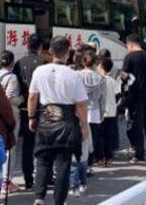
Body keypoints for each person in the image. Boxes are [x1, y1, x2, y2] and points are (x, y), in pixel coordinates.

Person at [28, 35, 88, 205]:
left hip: (46, 119)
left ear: (50, 51)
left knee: (43, 161)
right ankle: (59, 201)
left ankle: (39, 198)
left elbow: (32, 97)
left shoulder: (39, 71)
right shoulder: (73, 75)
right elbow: (81, 105)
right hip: (67, 122)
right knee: (63, 164)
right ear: (68, 53)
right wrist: (84, 127)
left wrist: (31, 117)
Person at [12, 34, 46, 189]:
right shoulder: (43, 63)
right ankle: (44, 177)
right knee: (43, 144)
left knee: (27, 145)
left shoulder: (19, 63)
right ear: (40, 48)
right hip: (41, 109)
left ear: (27, 46)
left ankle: (28, 179)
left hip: (25, 109)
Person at [121, 34, 146, 163]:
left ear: (130, 44)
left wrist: (121, 76)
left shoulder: (129, 57)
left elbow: (124, 75)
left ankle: (139, 154)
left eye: (127, 46)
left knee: (137, 126)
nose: (127, 48)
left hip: (135, 97)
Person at [0, 50, 23, 194]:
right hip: (10, 114)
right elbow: (10, 98)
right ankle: (6, 182)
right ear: (12, 62)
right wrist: (22, 99)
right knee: (10, 148)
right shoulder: (12, 77)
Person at [78, 50, 106, 167]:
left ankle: (85, 161)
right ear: (95, 62)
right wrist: (102, 112)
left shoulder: (77, 76)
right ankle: (97, 158)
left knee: (83, 137)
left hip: (81, 109)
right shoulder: (101, 78)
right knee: (96, 136)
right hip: (95, 110)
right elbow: (102, 99)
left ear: (83, 62)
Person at [99, 57, 119, 166]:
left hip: (101, 112)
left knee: (101, 136)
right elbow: (118, 94)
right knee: (109, 135)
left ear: (101, 67)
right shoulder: (112, 80)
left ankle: (101, 158)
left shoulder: (99, 80)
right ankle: (109, 158)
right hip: (112, 111)